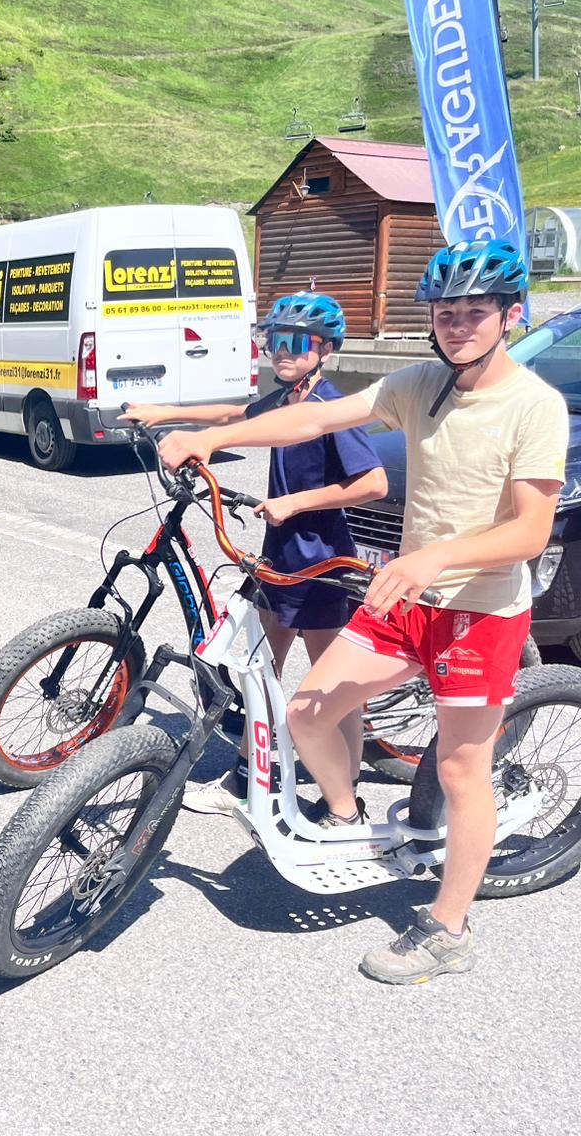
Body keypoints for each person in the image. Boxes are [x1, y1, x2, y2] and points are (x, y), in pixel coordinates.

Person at [157, 239, 567, 985]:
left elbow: (530, 532)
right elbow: (310, 421)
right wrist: (213, 436)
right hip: (404, 599)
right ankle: (346, 817)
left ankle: (448, 929)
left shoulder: (535, 406)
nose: (458, 325)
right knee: (308, 711)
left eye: (476, 313)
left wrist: (430, 559)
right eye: (446, 313)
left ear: (511, 315)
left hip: (478, 610)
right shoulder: (421, 385)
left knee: (460, 768)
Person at [125, 292, 386, 813]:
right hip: (280, 555)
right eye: (272, 341)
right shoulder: (287, 398)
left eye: (295, 343)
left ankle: (348, 790)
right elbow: (236, 412)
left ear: (326, 349)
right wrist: (165, 413)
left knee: (331, 686)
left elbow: (374, 483)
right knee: (258, 669)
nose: (281, 353)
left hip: (322, 559)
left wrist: (296, 502)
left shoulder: (329, 408)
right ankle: (246, 780)